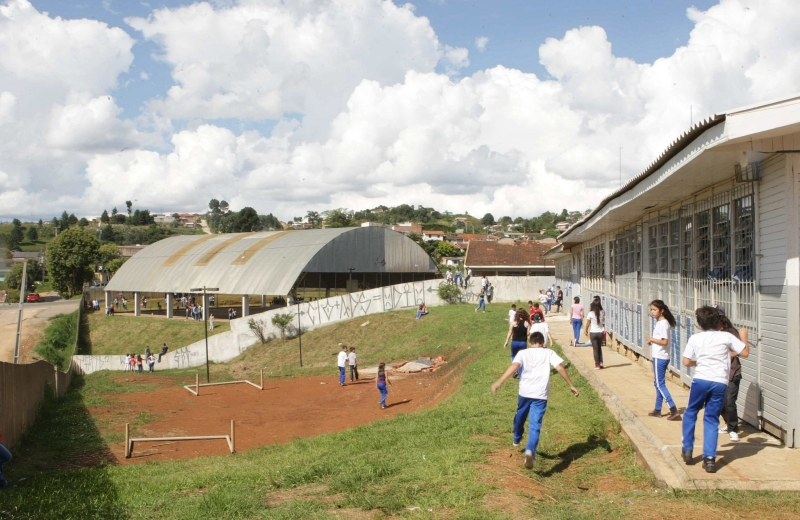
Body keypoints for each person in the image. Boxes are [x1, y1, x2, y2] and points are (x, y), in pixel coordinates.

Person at [491, 332, 580, 470]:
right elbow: (560, 367)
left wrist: (499, 382)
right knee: (535, 425)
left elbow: (514, 366)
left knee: (520, 417)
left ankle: (517, 436)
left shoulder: (523, 353)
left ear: (530, 342)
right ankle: (530, 451)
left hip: (525, 392)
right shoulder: (549, 353)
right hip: (540, 394)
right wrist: (571, 385)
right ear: (543, 343)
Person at [681, 306, 749, 473]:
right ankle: (710, 459)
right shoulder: (726, 336)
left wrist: (699, 362)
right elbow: (745, 353)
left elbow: (686, 362)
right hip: (719, 382)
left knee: (691, 412)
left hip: (701, 380)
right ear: (719, 321)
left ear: (699, 323)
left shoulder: (695, 338)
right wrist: (744, 337)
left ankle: (687, 450)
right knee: (712, 418)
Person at [645, 300, 681, 421]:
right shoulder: (662, 323)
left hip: (660, 356)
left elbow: (664, 341)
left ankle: (673, 409)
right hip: (661, 356)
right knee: (658, 384)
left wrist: (652, 339)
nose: (652, 312)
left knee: (660, 384)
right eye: (651, 310)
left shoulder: (663, 324)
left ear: (662, 311)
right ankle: (657, 409)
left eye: (655, 310)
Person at [716, 306, 744, 442]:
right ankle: (728, 424)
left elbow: (740, 350)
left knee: (730, 402)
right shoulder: (711, 333)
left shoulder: (731, 332)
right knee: (719, 403)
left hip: (732, 372)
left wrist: (728, 354)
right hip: (718, 373)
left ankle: (733, 429)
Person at [503, 309, 530, 378]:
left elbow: (510, 333)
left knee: (513, 356)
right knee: (522, 358)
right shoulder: (526, 323)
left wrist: (506, 342)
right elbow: (528, 334)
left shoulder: (514, 323)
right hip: (523, 343)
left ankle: (515, 370)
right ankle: (521, 374)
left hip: (514, 342)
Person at [584, 299, 605, 370]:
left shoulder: (590, 313)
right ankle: (601, 362)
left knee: (595, 349)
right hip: (600, 332)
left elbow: (588, 323)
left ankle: (597, 365)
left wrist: (586, 330)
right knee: (599, 348)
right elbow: (603, 320)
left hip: (593, 333)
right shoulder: (602, 312)